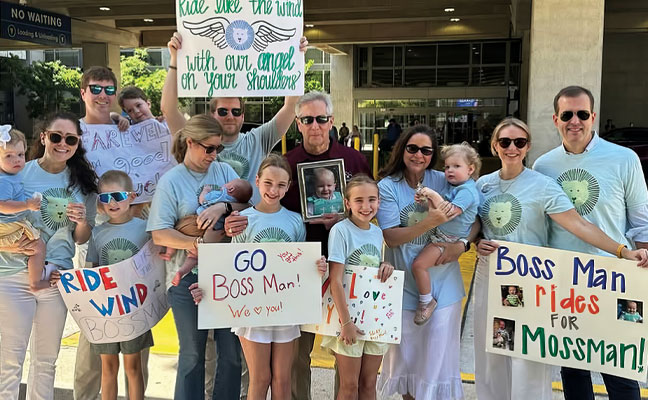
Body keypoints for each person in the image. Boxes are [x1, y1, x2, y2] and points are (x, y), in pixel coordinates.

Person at [474, 116, 648, 400]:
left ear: (527, 146)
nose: (512, 148)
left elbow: (579, 225)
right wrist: (475, 241)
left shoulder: (542, 183)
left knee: (526, 359)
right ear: (495, 146)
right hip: (491, 276)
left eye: (519, 142)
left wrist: (623, 251)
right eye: (505, 142)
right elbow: (474, 223)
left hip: (529, 280)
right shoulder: (482, 185)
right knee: (491, 355)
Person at [225, 91, 372, 400]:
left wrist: (345, 221)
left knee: (343, 353)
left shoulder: (354, 159)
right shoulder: (288, 164)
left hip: (345, 272)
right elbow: (265, 208)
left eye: (321, 119)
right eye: (307, 119)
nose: (315, 125)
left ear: (331, 121)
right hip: (295, 277)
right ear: (298, 124)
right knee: (294, 360)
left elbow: (369, 208)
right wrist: (225, 211)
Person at [533, 86, 648, 400]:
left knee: (620, 371)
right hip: (565, 282)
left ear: (593, 117)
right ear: (556, 119)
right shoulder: (543, 166)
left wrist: (644, 264)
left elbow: (641, 218)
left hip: (616, 278)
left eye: (582, 114)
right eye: (567, 115)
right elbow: (539, 223)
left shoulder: (624, 159)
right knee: (573, 371)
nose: (575, 121)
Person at [193, 154, 326, 400]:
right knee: (260, 378)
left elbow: (300, 265)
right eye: (268, 183)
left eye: (280, 185)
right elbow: (232, 270)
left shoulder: (295, 220)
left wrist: (315, 268)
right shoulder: (244, 220)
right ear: (257, 180)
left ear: (288, 187)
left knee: (282, 380)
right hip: (252, 312)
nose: (273, 190)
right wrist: (207, 290)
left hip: (285, 311)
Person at [147, 114, 246, 399]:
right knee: (192, 355)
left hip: (226, 275)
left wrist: (223, 206)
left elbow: (247, 201)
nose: (214, 155)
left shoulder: (224, 171)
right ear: (189, 142)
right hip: (187, 276)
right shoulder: (171, 181)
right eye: (209, 148)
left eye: (219, 148)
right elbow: (159, 233)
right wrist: (195, 242)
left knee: (231, 354)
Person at [0, 112, 98, 399]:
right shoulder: (18, 169)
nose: (62, 144)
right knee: (9, 360)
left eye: (70, 139)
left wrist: (81, 220)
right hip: (13, 273)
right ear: (43, 137)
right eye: (56, 137)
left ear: (78, 143)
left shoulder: (83, 184)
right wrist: (8, 246)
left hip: (57, 277)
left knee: (46, 361)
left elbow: (82, 238)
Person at [375, 124, 474, 400]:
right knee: (408, 364)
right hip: (403, 290)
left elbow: (474, 217)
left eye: (426, 150)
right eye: (412, 148)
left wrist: (462, 245)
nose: (419, 155)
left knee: (436, 367)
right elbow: (391, 237)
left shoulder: (445, 179)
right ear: (402, 149)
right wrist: (430, 222)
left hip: (444, 288)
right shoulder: (388, 186)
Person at [75, 69, 153, 400]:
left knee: (136, 345)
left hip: (133, 240)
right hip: (90, 236)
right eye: (96, 89)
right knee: (93, 338)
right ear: (83, 92)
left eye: (109, 89)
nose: (103, 95)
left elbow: (150, 167)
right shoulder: (72, 134)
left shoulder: (127, 130)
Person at [161, 32, 308, 205]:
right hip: (206, 224)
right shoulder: (195, 140)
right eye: (223, 111)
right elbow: (168, 109)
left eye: (236, 112)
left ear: (243, 116)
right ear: (212, 114)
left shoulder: (257, 140)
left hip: (248, 225)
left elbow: (291, 107)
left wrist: (297, 58)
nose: (230, 116)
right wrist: (175, 60)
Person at [321, 174, 395, 400]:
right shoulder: (341, 231)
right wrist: (346, 323)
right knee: (349, 385)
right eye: (359, 200)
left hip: (373, 317)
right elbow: (335, 279)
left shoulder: (377, 233)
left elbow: (371, 266)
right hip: (348, 319)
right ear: (347, 203)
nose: (366, 206)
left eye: (372, 200)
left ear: (379, 202)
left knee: (369, 383)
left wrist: (385, 265)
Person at [87, 170, 153, 400]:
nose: (111, 202)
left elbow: (153, 267)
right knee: (108, 368)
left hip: (134, 308)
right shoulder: (97, 232)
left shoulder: (146, 230)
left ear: (132, 197)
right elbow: (90, 270)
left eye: (117, 196)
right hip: (106, 310)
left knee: (133, 368)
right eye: (104, 198)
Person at [411, 142, 482, 326]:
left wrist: (432, 195)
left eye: (456, 166)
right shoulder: (454, 187)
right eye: (447, 166)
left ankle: (426, 301)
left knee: (419, 265)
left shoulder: (467, 191)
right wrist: (424, 202)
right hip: (441, 236)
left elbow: (448, 212)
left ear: (470, 169)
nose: (449, 170)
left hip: (446, 240)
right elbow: (437, 209)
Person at [169, 178, 253, 286]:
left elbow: (203, 200)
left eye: (228, 184)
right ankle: (182, 271)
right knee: (193, 257)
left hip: (199, 223)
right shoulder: (236, 204)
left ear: (231, 189)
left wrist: (206, 190)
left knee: (176, 230)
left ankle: (169, 251)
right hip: (215, 232)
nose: (224, 185)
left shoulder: (220, 195)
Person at [0, 127, 47, 291]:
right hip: (7, 225)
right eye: (9, 156)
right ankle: (36, 283)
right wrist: (26, 205)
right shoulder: (3, 181)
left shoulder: (11, 176)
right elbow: (2, 205)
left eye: (20, 155)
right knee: (38, 247)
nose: (17, 160)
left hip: (9, 224)